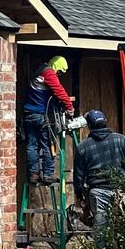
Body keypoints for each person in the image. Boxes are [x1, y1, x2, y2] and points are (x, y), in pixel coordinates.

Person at [72, 109, 125, 241]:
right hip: (121, 190)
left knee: (101, 229)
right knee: (124, 225)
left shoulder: (83, 147)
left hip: (97, 192)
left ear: (89, 126)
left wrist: (80, 195)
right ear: (105, 122)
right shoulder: (120, 140)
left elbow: (78, 176)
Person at [22, 54, 76, 186]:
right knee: (48, 144)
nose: (58, 75)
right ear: (57, 67)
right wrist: (70, 108)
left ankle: (33, 174)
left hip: (28, 114)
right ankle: (48, 175)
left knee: (32, 146)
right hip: (41, 115)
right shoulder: (49, 73)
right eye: (60, 72)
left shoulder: (39, 71)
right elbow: (59, 91)